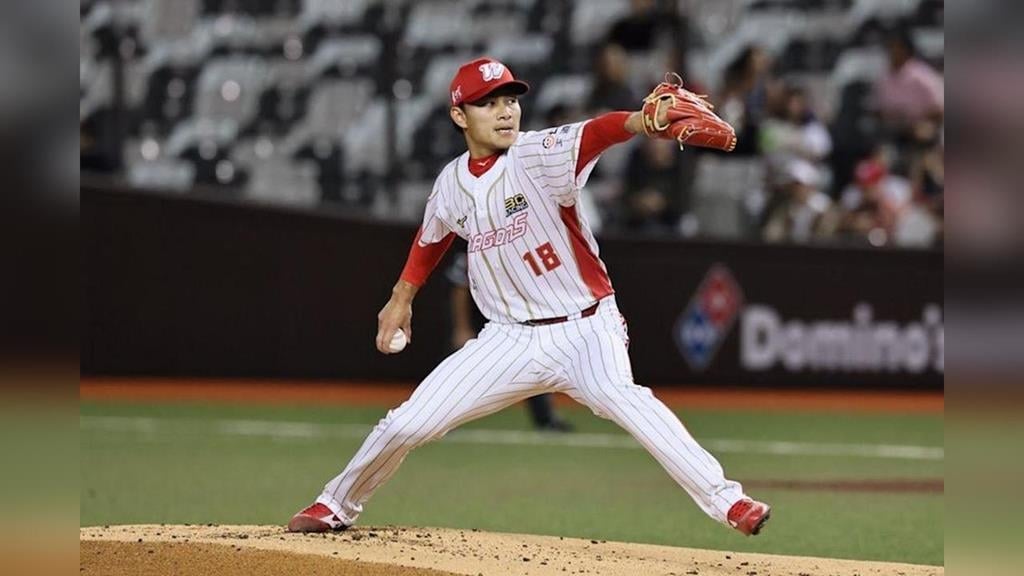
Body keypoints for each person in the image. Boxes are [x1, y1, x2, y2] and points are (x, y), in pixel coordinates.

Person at [287, 57, 771, 537]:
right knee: (408, 424)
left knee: (625, 400)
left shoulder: (537, 153)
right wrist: (401, 298)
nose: (505, 112)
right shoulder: (452, 182)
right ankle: (336, 504)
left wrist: (640, 122)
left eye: (510, 101)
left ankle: (729, 501)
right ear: (459, 116)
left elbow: (596, 133)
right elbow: (431, 238)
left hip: (585, 329)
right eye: (488, 104)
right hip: (507, 340)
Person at [446, 250, 573, 432]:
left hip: (514, 318)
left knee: (534, 362)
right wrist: (462, 327)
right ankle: (445, 418)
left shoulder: (520, 246)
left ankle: (545, 418)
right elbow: (460, 289)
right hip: (480, 317)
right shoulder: (472, 250)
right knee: (459, 367)